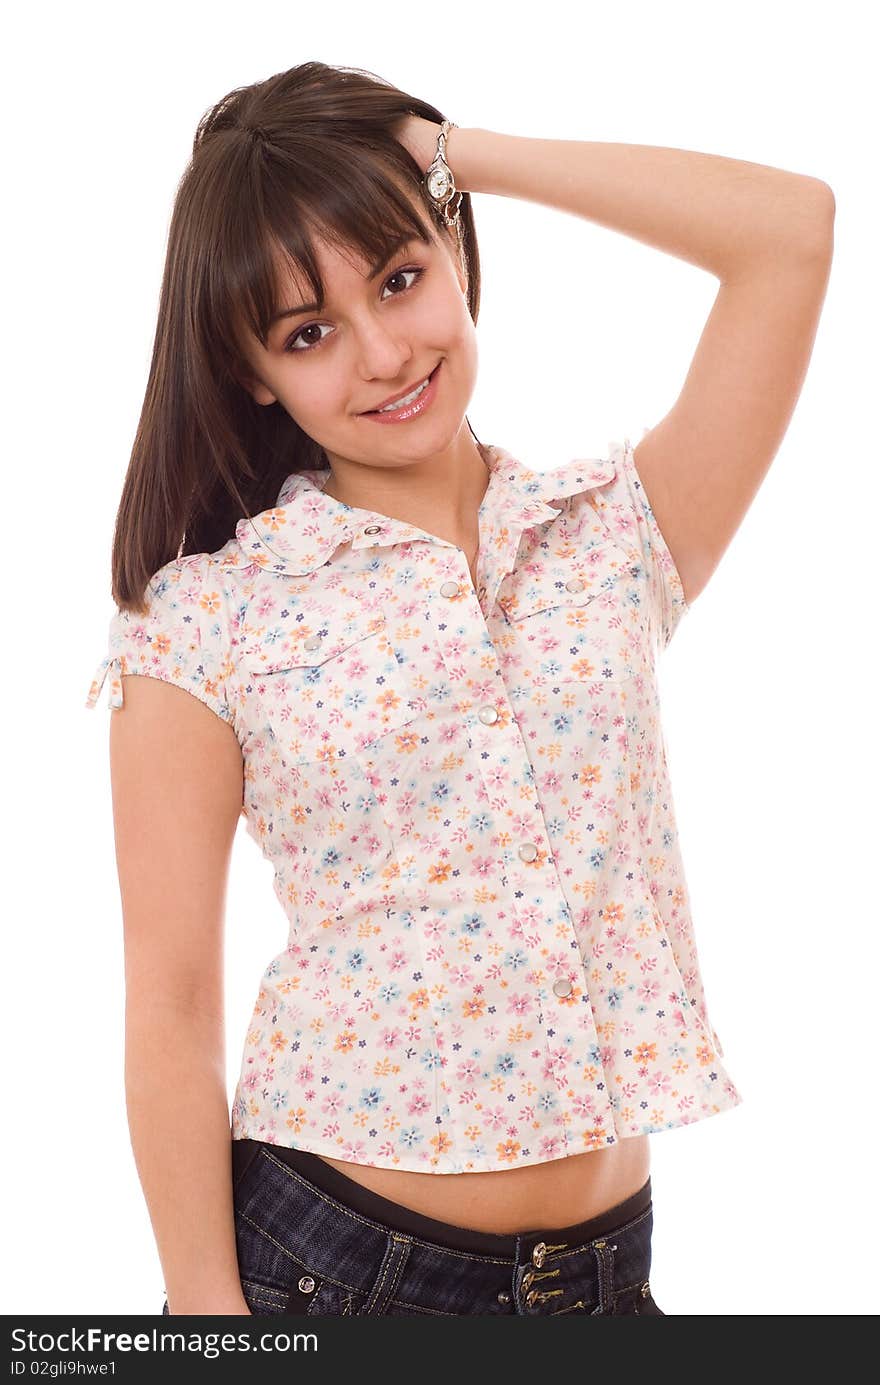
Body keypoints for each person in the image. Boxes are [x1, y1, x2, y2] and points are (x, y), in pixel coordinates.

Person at [85, 61, 834, 1317]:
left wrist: (452, 154)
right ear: (255, 374)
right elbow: (170, 1005)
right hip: (336, 1272)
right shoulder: (203, 620)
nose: (384, 354)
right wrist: (204, 1317)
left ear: (455, 250)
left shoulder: (611, 535)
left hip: (611, 1277)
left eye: (401, 276)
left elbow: (790, 232)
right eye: (307, 333)